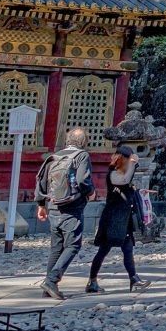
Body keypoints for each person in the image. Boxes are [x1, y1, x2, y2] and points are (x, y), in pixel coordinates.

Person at [34, 126, 97, 301]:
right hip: (72, 206)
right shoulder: (81, 156)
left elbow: (41, 180)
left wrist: (41, 204)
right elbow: (82, 179)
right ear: (84, 142)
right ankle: (52, 280)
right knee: (73, 245)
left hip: (53, 205)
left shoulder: (54, 156)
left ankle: (48, 287)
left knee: (56, 248)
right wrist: (90, 192)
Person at [84, 150, 144, 290]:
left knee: (128, 249)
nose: (130, 162)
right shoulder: (113, 175)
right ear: (122, 159)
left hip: (125, 219)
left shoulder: (124, 174)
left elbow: (127, 189)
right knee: (103, 250)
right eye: (128, 159)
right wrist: (134, 164)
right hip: (112, 219)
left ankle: (133, 278)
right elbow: (124, 181)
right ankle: (92, 280)